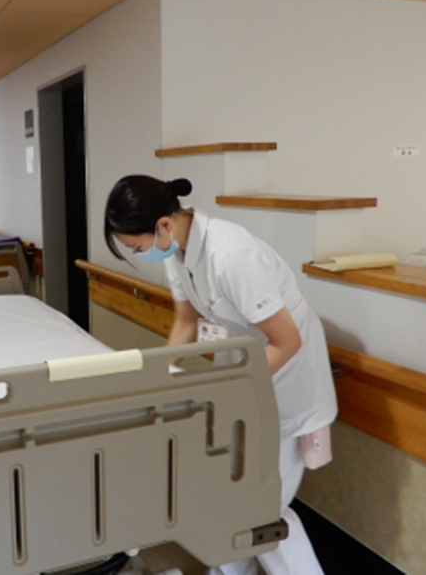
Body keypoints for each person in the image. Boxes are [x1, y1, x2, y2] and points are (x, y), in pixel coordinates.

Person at [104, 175, 337, 575]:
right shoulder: (178, 250)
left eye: (137, 247)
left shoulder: (231, 255)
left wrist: (230, 393)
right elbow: (186, 319)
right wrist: (163, 372)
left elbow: (286, 340)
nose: (141, 254)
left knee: (261, 509)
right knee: (239, 501)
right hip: (246, 361)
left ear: (163, 224)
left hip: (286, 374)